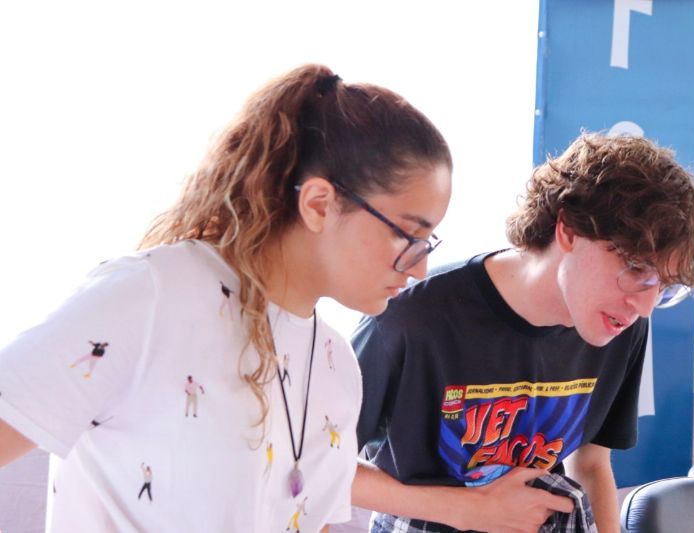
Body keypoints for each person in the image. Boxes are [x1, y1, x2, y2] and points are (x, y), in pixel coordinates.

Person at [0, 63, 452, 532]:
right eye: (408, 235)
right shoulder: (150, 295)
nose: (419, 267)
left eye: (429, 242)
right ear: (319, 204)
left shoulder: (336, 365)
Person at [351, 132, 694, 533]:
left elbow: (591, 463)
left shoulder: (621, 323)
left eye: (664, 286)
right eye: (635, 268)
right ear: (569, 230)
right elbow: (317, 463)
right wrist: (466, 509)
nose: (645, 306)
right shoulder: (408, 319)